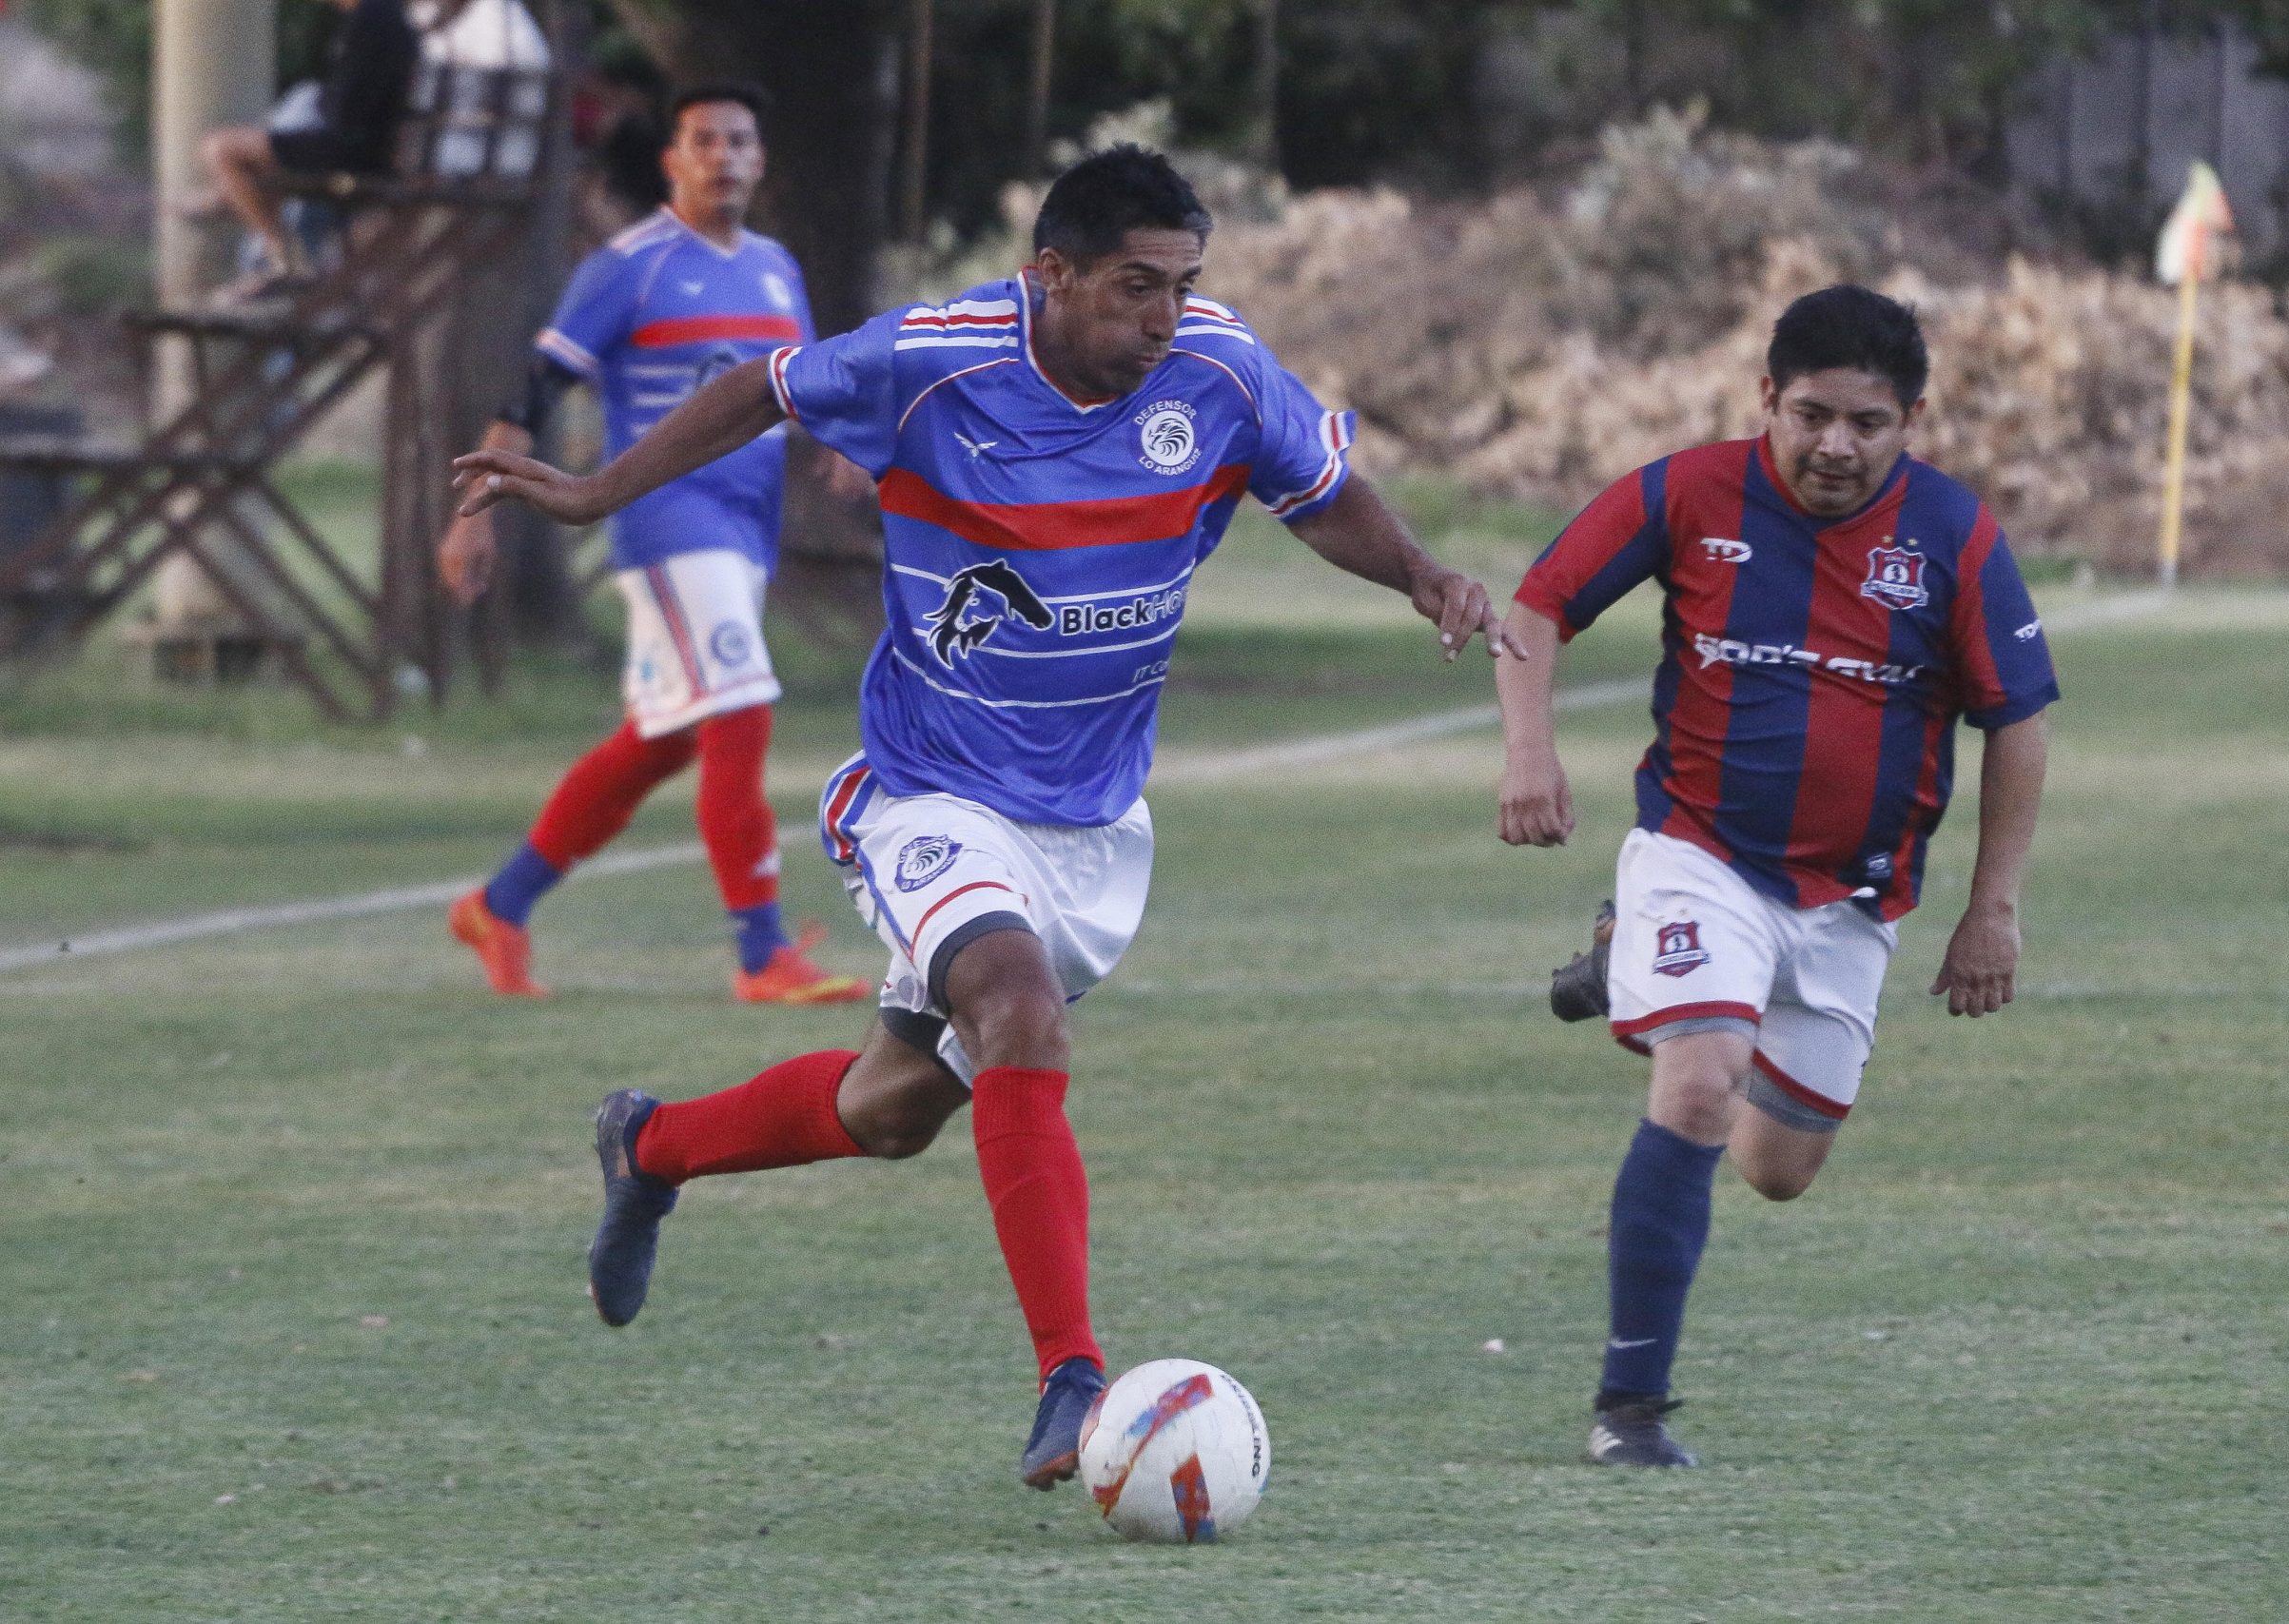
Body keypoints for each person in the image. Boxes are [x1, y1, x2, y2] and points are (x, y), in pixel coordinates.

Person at [451, 145, 1513, 1489]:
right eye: (1136, 286)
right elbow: (762, 387)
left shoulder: (1222, 370)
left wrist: (1421, 572)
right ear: (1051, 273)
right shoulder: (933, 355)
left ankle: (649, 1144)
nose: (1166, 316)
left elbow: (1318, 492)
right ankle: (1072, 1378)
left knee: (891, 1108)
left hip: (1093, 822)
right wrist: (597, 490)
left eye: (1183, 285)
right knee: (1015, 1005)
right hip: (932, 788)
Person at [1494, 285, 2058, 1469]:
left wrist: (1990, 911)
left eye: (1867, 423)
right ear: (1767, 399)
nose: (1835, 446)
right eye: (1811, 416)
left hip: (1850, 901)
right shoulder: (1687, 493)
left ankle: (1633, 967)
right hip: (1701, 854)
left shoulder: (1953, 536)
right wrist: (1529, 754)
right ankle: (1629, 1412)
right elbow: (1539, 606)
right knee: (1700, 1087)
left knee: (1777, 1168)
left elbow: (2017, 719)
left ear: (1911, 420)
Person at [439, 82, 870, 1008]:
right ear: (673, 160)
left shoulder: (775, 267)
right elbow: (534, 390)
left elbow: (799, 385)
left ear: (760, 160)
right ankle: (762, 953)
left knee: (665, 740)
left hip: (747, 522)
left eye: (739, 141)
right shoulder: (628, 267)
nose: (723, 156)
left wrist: (844, 440)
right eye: (703, 140)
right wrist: (473, 514)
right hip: (668, 516)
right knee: (741, 703)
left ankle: (498, 906)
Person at [192, 0, 420, 298]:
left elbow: (347, 111)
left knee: (220, 150)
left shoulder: (372, 20)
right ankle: (256, 240)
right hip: (360, 148)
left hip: (348, 152)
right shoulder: (385, 17)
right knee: (244, 162)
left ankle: (281, 254)